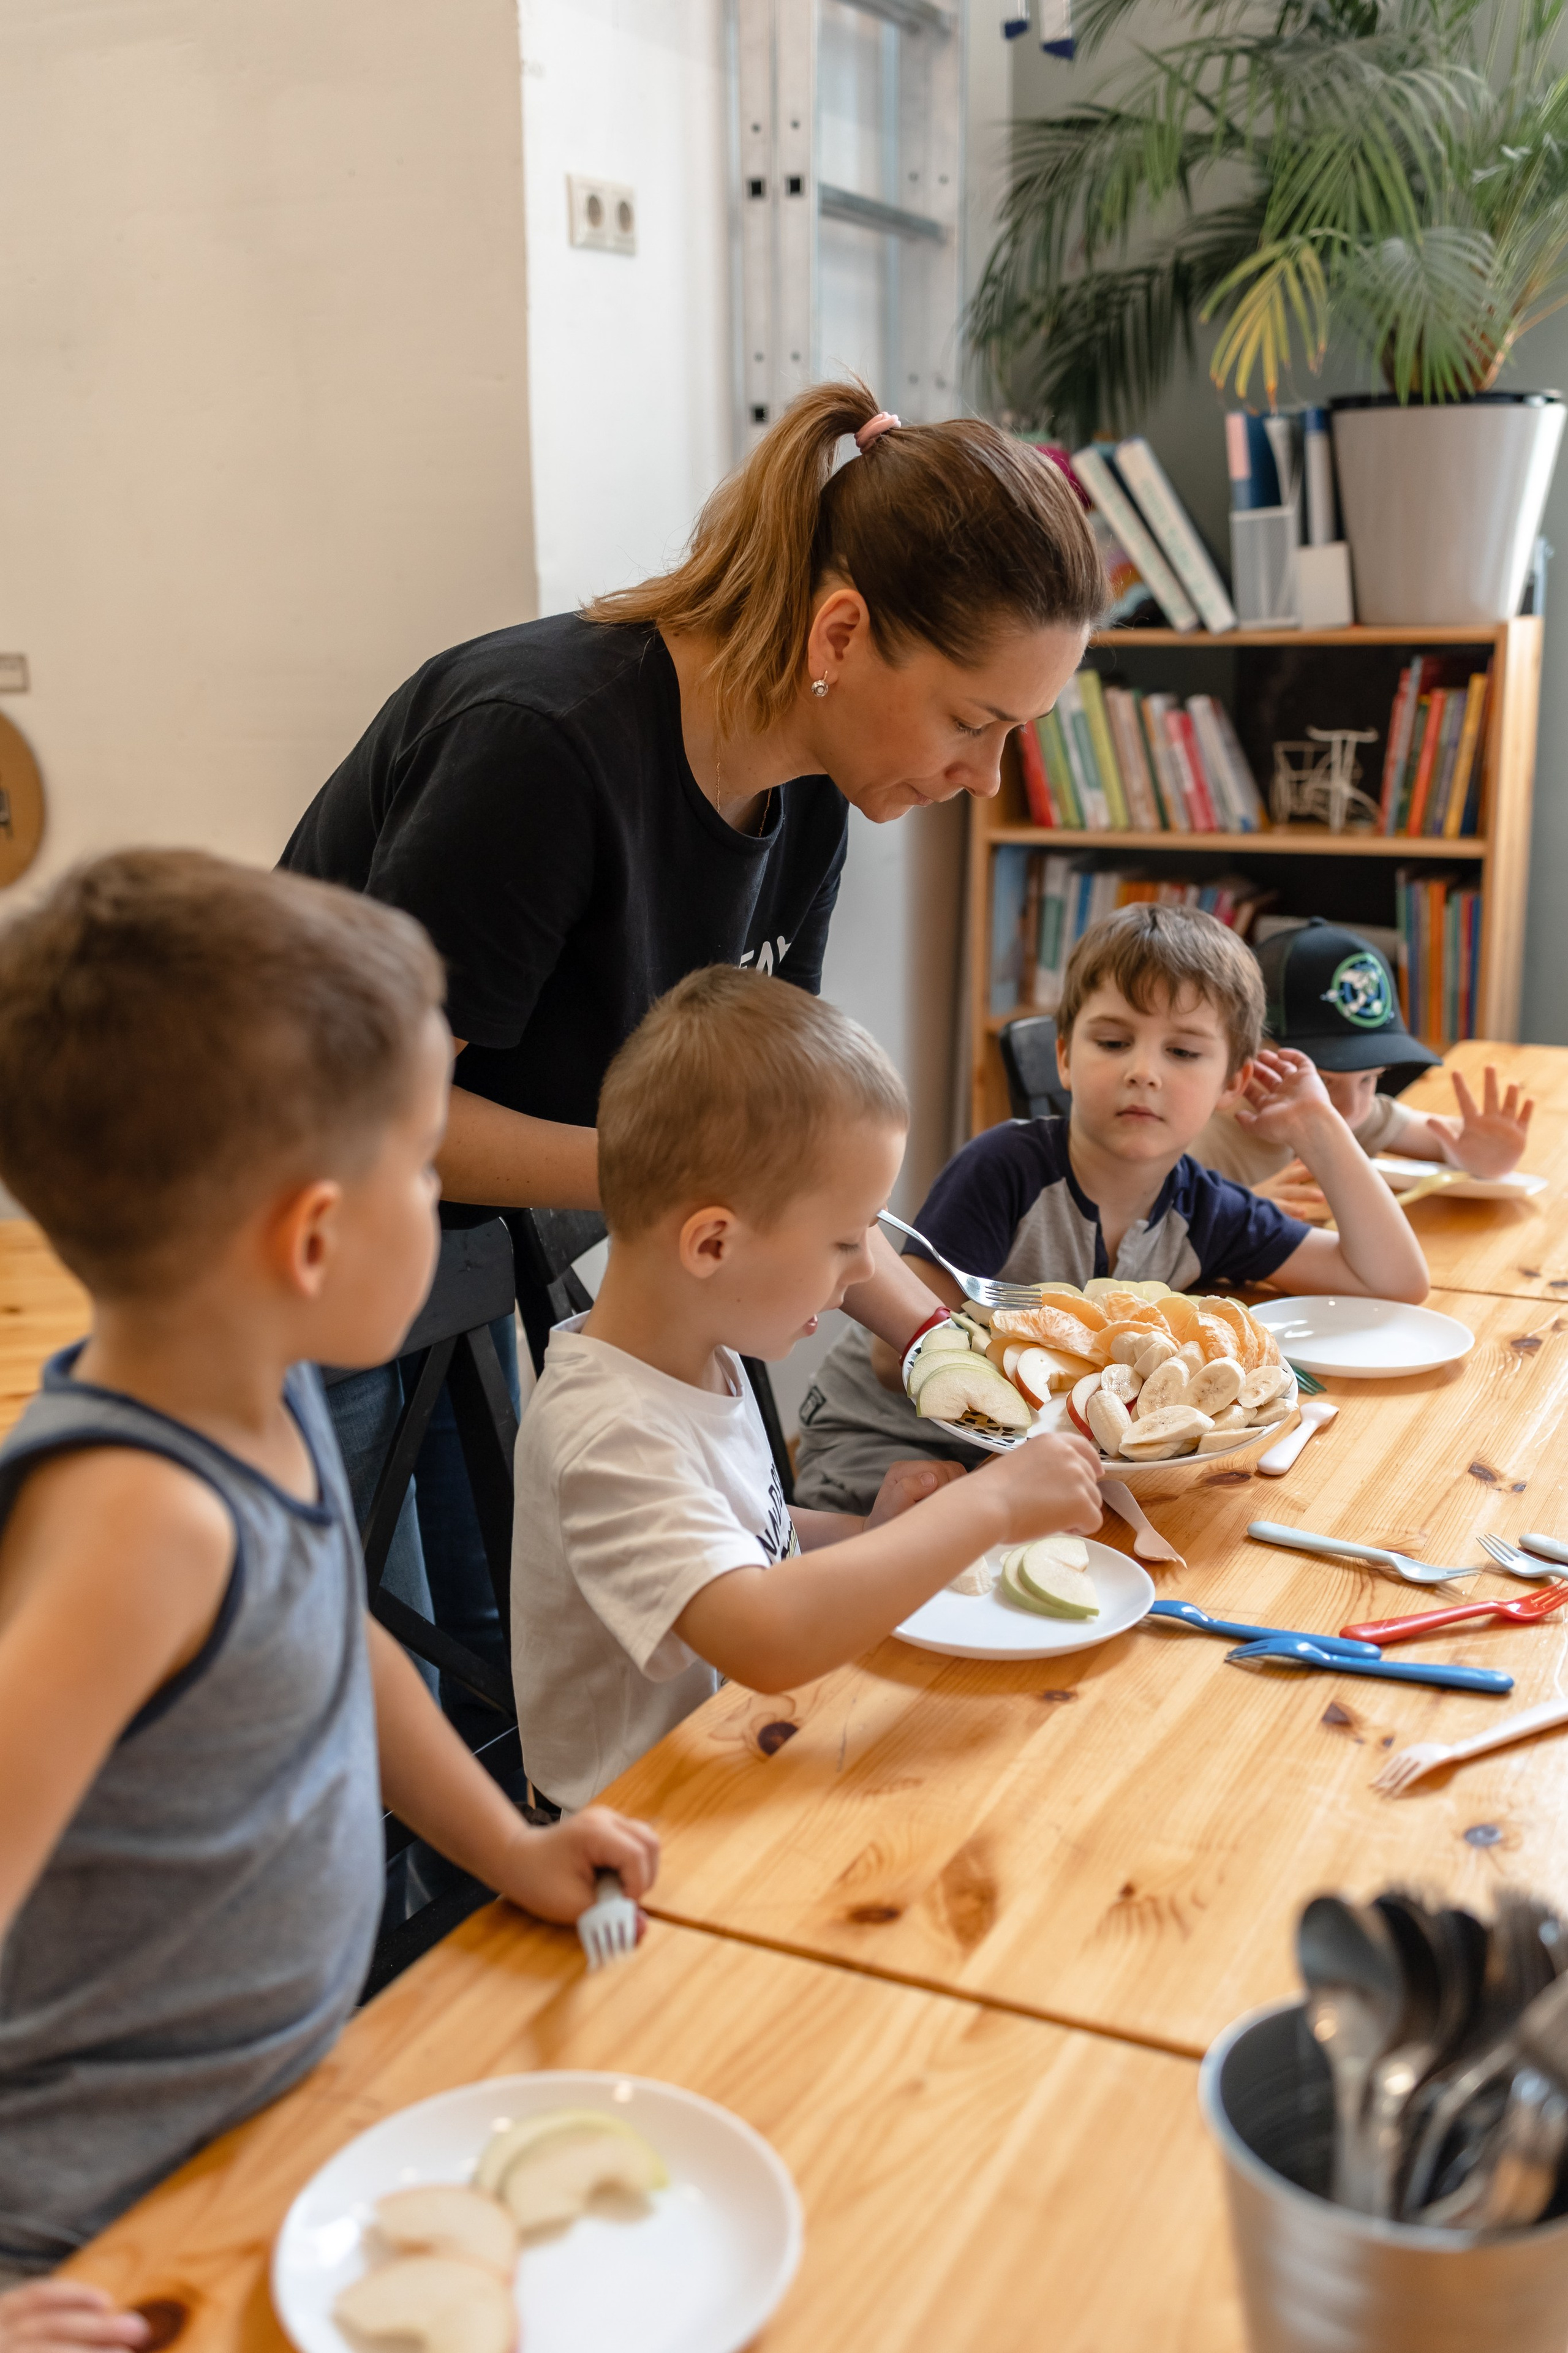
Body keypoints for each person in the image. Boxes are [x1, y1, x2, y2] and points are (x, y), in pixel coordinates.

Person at [278, 380, 1107, 1712]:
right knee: (345, 1681)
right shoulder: (541, 745)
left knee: (482, 1650)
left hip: (464, 1230)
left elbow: (781, 1138)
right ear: (841, 629)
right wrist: (683, 1187)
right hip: (301, 1218)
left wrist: (945, 1342)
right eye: (973, 722)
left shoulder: (807, 796)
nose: (983, 778)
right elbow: (376, 1114)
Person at [0, 852, 658, 2289]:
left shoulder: (260, 1385)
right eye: (419, 1169)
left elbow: (331, 1651)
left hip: (276, 2128)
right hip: (97, 2226)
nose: (438, 1198)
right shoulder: (142, 1521)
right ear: (310, 1237)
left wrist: (510, 1846)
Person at [510, 967, 1104, 1811]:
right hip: (639, 1840)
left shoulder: (696, 1358)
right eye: (845, 1239)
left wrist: (871, 1535)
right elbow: (764, 1633)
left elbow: (748, 1543)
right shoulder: (609, 1432)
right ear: (713, 1244)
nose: (869, 1270)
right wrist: (989, 1508)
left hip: (738, 1761)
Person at [794, 904, 1430, 1512]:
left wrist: (1320, 1127)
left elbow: (1392, 1280)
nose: (1143, 1072)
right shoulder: (1004, 1170)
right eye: (1113, 1041)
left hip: (1046, 1460)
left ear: (1233, 1083)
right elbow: (891, 1358)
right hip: (887, 1444)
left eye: (1182, 1052)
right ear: (1066, 1057)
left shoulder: (1204, 1210)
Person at [1193, 918, 1534, 1220]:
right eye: (1323, 1079)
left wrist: (1482, 1159)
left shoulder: (1342, 1113)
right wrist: (1232, 1215)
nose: (1351, 1110)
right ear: (1243, 1050)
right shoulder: (1194, 1134)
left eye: (1370, 1078)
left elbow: (1447, 1137)